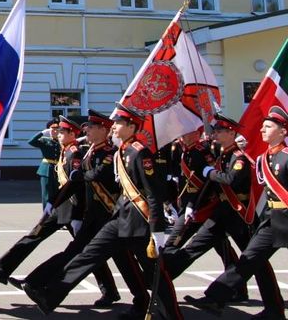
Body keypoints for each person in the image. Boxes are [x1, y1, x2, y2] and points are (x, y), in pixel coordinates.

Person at [22, 104, 183, 320]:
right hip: (119, 217)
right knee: (89, 254)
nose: (114, 126)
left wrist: (158, 230)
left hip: (138, 220)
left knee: (153, 272)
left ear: (131, 126)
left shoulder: (139, 153)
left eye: (118, 123)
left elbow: (153, 193)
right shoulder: (122, 151)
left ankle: (171, 315)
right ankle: (50, 295)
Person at [165, 113, 282, 316]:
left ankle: (274, 307)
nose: (215, 134)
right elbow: (209, 185)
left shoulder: (239, 158)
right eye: (216, 130)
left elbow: (231, 180)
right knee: (195, 246)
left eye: (220, 131)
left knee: (254, 261)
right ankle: (161, 281)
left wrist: (209, 171)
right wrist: (193, 205)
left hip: (238, 215)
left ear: (231, 133)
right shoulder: (223, 155)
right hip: (220, 213)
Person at [11, 110, 126, 309]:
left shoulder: (108, 153)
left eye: (91, 127)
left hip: (110, 216)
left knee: (129, 265)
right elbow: (74, 184)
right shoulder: (90, 151)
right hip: (93, 216)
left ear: (103, 129)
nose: (87, 129)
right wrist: (57, 205)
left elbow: (92, 177)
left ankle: (147, 299)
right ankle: (39, 285)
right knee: (78, 255)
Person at [28, 118, 60, 208]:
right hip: (47, 169)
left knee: (57, 192)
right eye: (52, 129)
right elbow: (31, 141)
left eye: (57, 129)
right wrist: (42, 133)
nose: (55, 131)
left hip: (59, 169)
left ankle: (56, 215)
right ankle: (46, 215)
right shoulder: (45, 140)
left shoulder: (61, 142)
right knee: (47, 194)